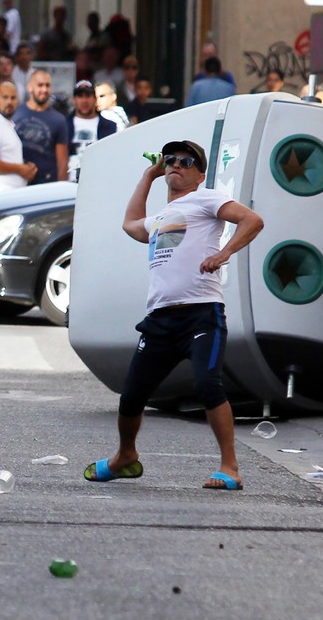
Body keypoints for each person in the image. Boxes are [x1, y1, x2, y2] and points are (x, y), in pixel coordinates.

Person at [83, 139, 264, 488]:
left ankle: (230, 467)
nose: (175, 165)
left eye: (186, 160)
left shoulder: (207, 197)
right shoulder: (160, 218)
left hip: (201, 314)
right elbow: (130, 223)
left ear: (200, 174)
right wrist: (147, 177)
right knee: (133, 394)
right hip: (161, 318)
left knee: (207, 384)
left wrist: (224, 253)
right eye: (170, 160)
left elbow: (252, 220)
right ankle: (125, 456)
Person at [13, 70, 68, 184]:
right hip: (16, 182)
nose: (44, 89)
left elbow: (62, 163)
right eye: (40, 85)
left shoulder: (59, 120)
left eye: (47, 85)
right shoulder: (14, 114)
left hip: (46, 185)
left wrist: (62, 188)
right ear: (30, 87)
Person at [66, 80, 116, 183]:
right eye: (80, 96)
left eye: (88, 96)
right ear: (74, 100)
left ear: (95, 99)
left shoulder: (109, 126)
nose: (84, 100)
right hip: (68, 182)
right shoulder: (64, 124)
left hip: (98, 181)